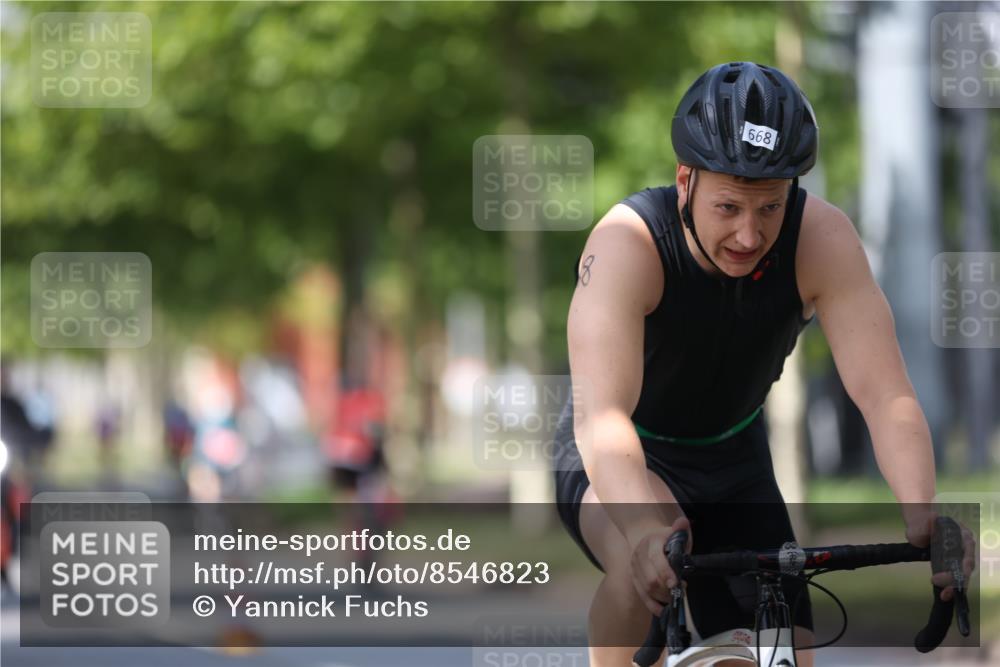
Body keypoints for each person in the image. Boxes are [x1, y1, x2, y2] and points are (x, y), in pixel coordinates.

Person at [552, 62, 975, 667]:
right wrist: (645, 530)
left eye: (770, 208)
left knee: (788, 650)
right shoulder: (629, 243)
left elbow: (885, 396)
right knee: (639, 557)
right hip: (623, 451)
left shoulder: (822, 239)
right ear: (685, 182)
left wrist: (925, 513)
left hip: (733, 458)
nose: (749, 235)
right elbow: (604, 418)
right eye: (728, 207)